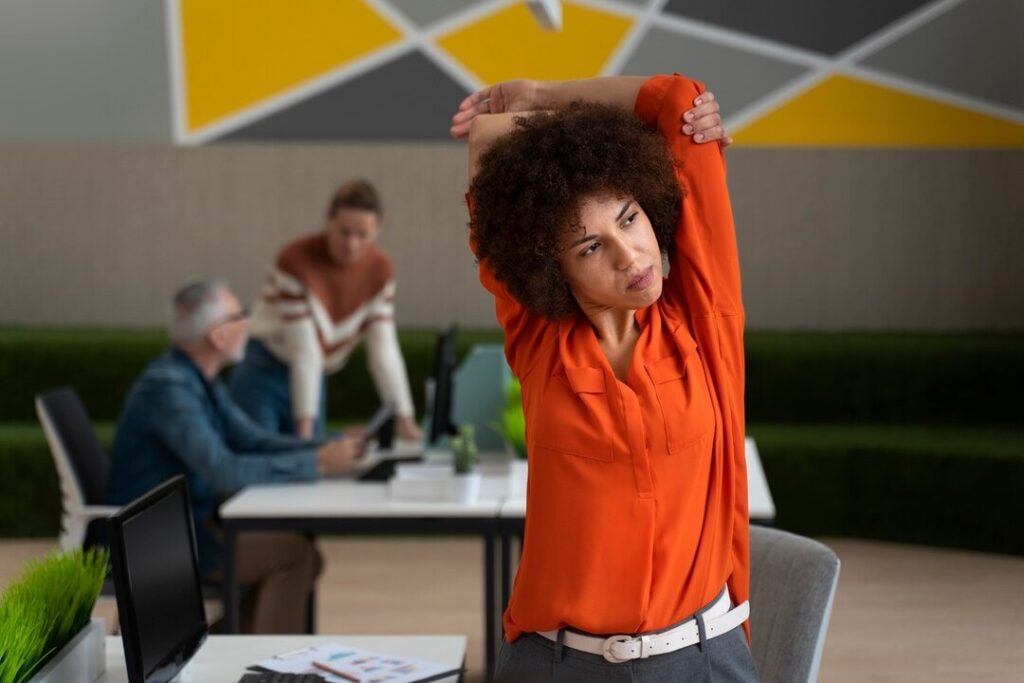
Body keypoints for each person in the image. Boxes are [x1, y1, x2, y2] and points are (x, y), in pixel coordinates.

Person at [451, 74, 756, 680]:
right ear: (551, 268)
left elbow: (676, 100)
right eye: (590, 247)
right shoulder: (538, 343)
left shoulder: (704, 320)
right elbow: (490, 136)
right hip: (556, 662)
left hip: (700, 659)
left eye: (630, 218)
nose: (630, 255)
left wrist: (540, 96)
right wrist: (514, 118)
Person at [107, 279, 361, 634]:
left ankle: (232, 650)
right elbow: (224, 471)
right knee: (294, 555)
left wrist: (325, 448)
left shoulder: (200, 381)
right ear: (218, 335)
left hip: (190, 526)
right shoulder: (170, 392)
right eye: (239, 315)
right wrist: (318, 464)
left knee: (304, 556)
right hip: (163, 541)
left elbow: (252, 440)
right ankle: (270, 665)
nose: (248, 324)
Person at [229, 179, 421, 441]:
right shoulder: (295, 260)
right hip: (264, 368)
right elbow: (304, 349)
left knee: (307, 467)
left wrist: (403, 416)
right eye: (344, 232)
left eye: (362, 235)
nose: (351, 244)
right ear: (328, 221)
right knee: (264, 460)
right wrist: (306, 437)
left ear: (377, 231)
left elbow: (383, 350)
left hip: (315, 373)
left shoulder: (381, 270)